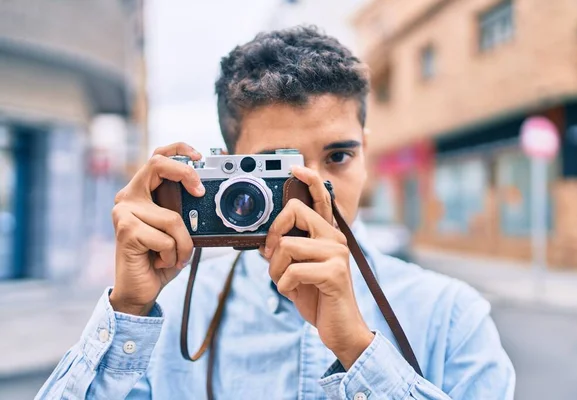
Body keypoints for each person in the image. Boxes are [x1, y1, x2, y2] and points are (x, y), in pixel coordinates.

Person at [36, 26, 515, 399]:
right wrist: (128, 309)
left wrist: (358, 350)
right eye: (275, 170)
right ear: (224, 169)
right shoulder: (173, 316)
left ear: (366, 153)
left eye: (338, 157)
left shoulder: (452, 316)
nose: (313, 190)